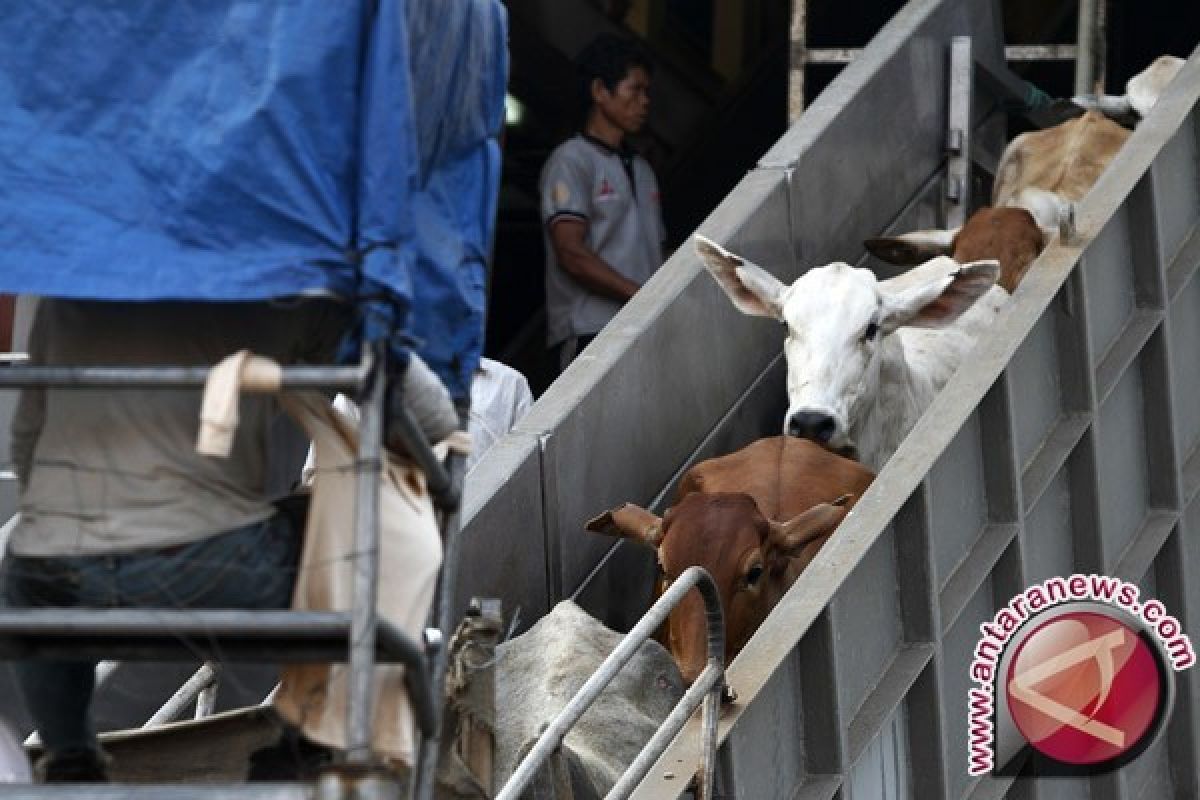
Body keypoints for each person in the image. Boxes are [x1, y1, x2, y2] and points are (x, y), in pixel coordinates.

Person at [0, 297, 352, 782]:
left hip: (71, 566)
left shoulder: (65, 303)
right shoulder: (268, 290)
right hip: (213, 558)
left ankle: (71, 758)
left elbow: (27, 440)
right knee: (341, 536)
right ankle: (302, 744)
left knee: (28, 572)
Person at [540, 34, 666, 374]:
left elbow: (657, 251)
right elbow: (571, 254)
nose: (644, 102)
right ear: (599, 91)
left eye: (647, 92)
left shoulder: (641, 169)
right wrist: (642, 296)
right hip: (589, 332)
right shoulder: (571, 160)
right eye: (634, 90)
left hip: (642, 329)